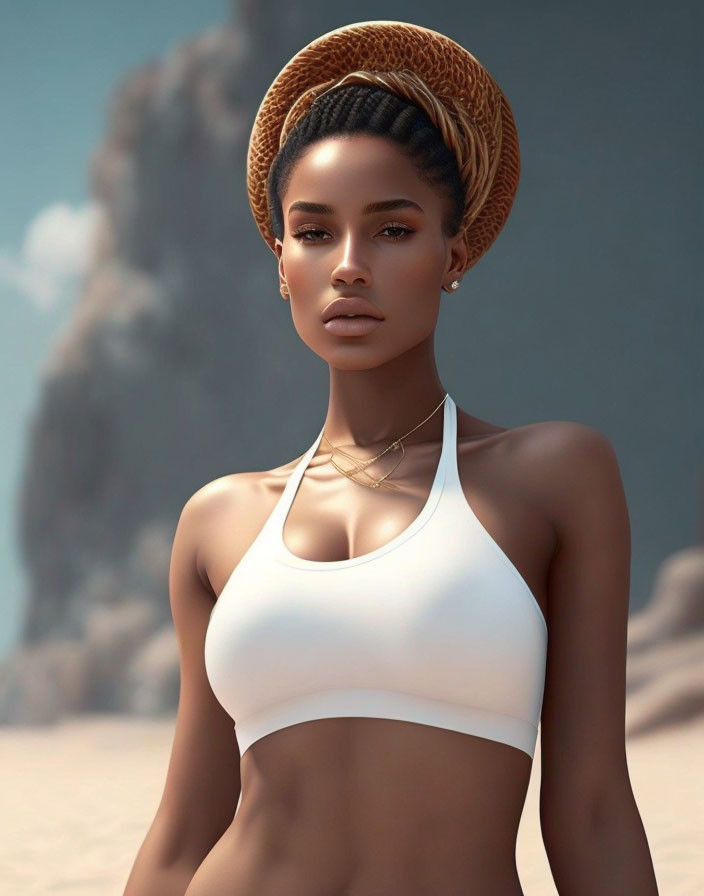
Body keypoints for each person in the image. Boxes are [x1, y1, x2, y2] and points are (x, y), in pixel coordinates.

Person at [124, 20, 659, 896]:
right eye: (315, 232)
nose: (350, 267)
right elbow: (184, 833)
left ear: (454, 253)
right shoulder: (218, 521)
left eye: (393, 230)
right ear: (280, 260)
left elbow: (593, 809)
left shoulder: (555, 478)